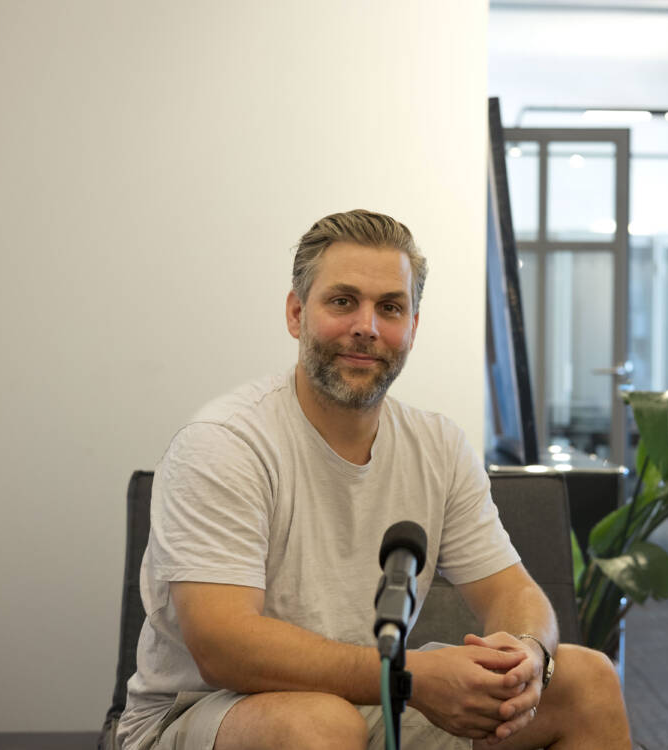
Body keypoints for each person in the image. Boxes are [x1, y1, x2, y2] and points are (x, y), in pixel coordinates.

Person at [116, 209, 632, 750]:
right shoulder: (224, 443)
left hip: (371, 696)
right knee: (321, 726)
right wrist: (409, 678)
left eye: (390, 307)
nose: (367, 326)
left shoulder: (438, 446)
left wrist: (526, 654)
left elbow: (512, 592)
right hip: (205, 710)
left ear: (412, 327)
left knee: (586, 681)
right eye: (342, 302)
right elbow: (223, 645)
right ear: (296, 313)